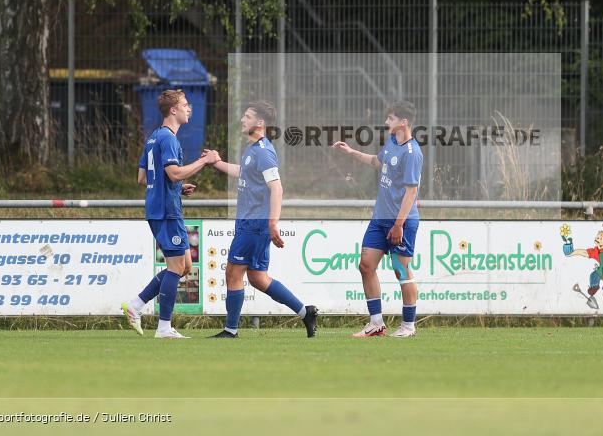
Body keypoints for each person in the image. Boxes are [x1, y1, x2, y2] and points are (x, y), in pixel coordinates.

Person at [206, 101, 318, 338]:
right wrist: (216, 162)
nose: (242, 120)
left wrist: (272, 222)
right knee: (257, 278)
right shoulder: (253, 149)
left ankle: (230, 330)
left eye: (247, 116)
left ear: (260, 123)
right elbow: (243, 172)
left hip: (255, 224)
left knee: (233, 273)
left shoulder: (265, 152)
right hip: (250, 223)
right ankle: (305, 312)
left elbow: (277, 188)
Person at [121, 89, 219, 339]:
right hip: (166, 212)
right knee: (176, 267)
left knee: (185, 266)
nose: (189, 109)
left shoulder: (154, 137)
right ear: (173, 110)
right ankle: (164, 327)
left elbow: (143, 177)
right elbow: (173, 172)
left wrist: (176, 188)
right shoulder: (168, 139)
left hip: (161, 207)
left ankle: (136, 305)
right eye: (185, 105)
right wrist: (204, 162)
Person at [332, 101, 423, 338]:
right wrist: (352, 152)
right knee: (366, 265)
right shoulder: (392, 142)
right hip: (380, 219)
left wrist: (399, 224)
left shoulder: (412, 153)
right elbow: (376, 162)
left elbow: (411, 192)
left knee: (401, 270)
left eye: (391, 119)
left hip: (400, 221)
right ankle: (376, 324)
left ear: (403, 122)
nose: (386, 123)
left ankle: (408, 326)